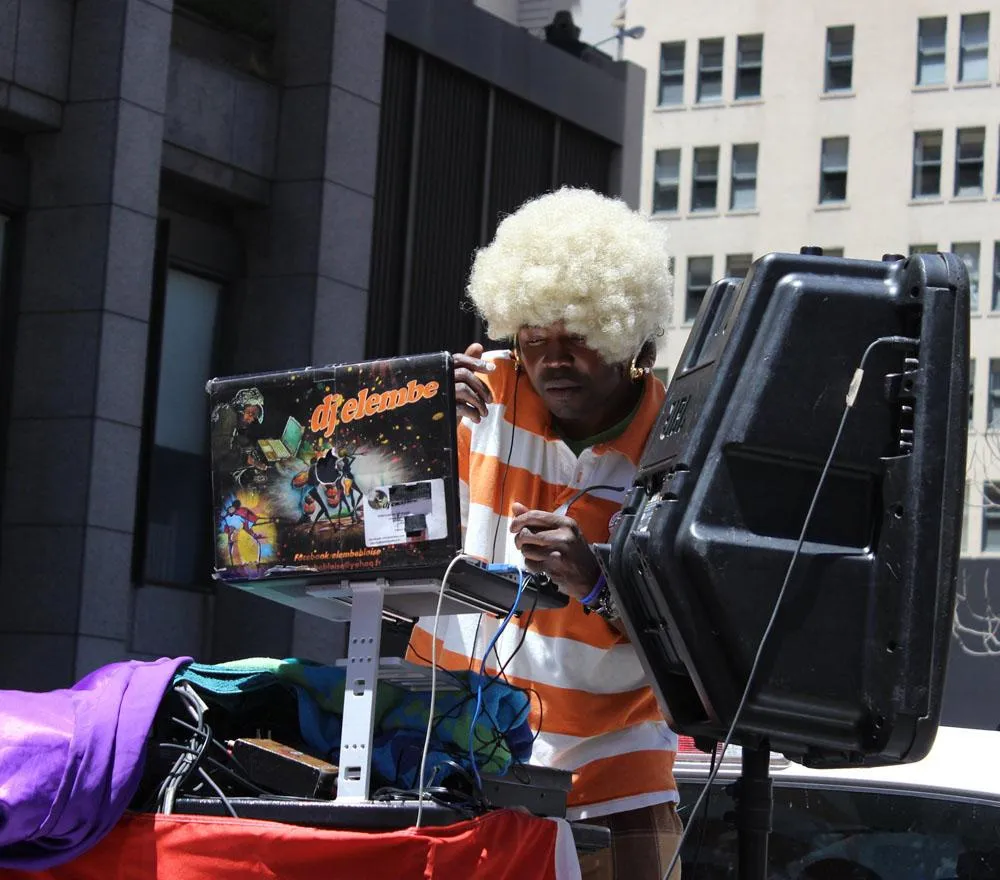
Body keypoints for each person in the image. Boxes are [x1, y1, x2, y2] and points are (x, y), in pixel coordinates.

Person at [407, 187, 680, 879]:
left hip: (614, 779)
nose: (552, 359)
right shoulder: (479, 396)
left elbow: (696, 640)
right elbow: (360, 516)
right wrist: (414, 418)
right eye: (533, 338)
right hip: (451, 755)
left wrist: (596, 580)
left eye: (578, 337)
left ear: (629, 338)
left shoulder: (678, 444)